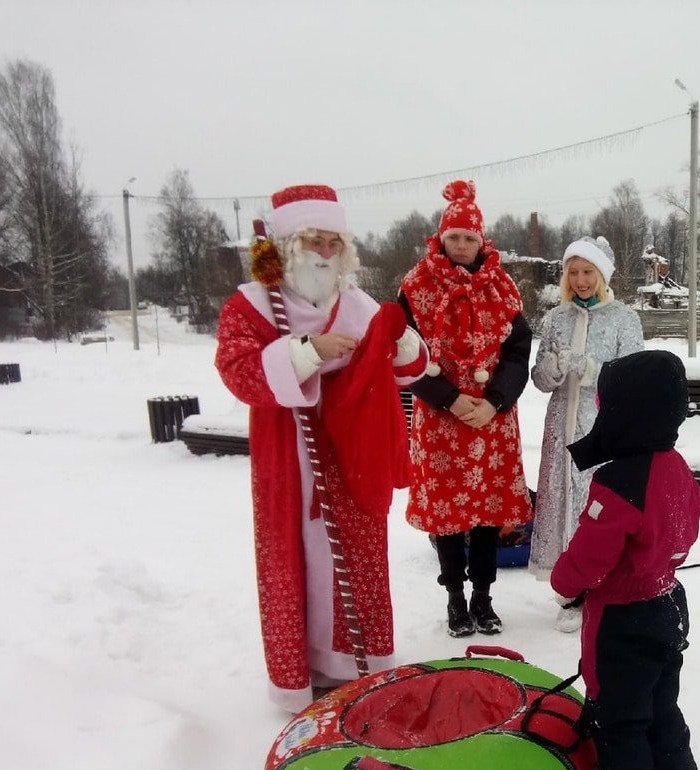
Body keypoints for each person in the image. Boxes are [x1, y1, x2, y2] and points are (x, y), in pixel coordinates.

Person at [215, 184, 428, 711]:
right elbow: (238, 370)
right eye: (314, 240)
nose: (326, 252)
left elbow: (409, 370)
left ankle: (358, 661)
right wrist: (307, 353)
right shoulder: (252, 307)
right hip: (288, 456)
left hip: (351, 457)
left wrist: (403, 345)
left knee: (356, 557)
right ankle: (301, 669)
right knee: (292, 559)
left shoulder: (356, 304)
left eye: (335, 242)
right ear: (288, 243)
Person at [550, 350, 700, 770]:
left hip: (623, 617)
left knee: (621, 715)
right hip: (667, 603)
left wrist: (564, 579)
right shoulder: (676, 466)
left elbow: (592, 557)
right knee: (661, 702)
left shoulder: (618, 482)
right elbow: (684, 529)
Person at [397, 180, 533, 638]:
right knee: (450, 518)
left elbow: (517, 351)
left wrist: (495, 401)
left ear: (482, 240)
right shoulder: (415, 287)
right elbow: (401, 355)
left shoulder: (503, 286)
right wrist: (451, 399)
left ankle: (484, 598)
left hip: (491, 421)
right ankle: (456, 598)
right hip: (441, 419)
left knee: (488, 515)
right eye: (453, 236)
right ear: (440, 237)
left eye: (469, 237)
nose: (461, 245)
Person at [530, 236, 645, 632]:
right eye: (574, 272)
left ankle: (606, 584)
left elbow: (635, 377)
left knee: (598, 507)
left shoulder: (623, 318)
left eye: (588, 272)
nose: (581, 280)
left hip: (602, 428)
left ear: (602, 275)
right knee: (563, 503)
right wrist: (554, 369)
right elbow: (539, 379)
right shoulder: (556, 319)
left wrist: (593, 368)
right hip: (560, 428)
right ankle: (572, 590)